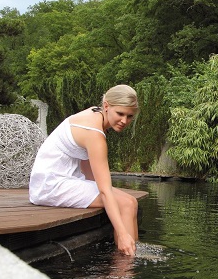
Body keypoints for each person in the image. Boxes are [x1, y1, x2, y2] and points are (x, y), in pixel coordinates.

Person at [29, 85, 139, 256]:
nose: (124, 121)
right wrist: (123, 234)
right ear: (107, 105)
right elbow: (104, 190)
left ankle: (131, 252)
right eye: (120, 113)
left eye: (129, 116)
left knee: (129, 202)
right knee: (127, 204)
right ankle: (125, 266)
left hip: (55, 180)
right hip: (51, 185)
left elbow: (90, 173)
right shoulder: (94, 133)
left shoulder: (95, 114)